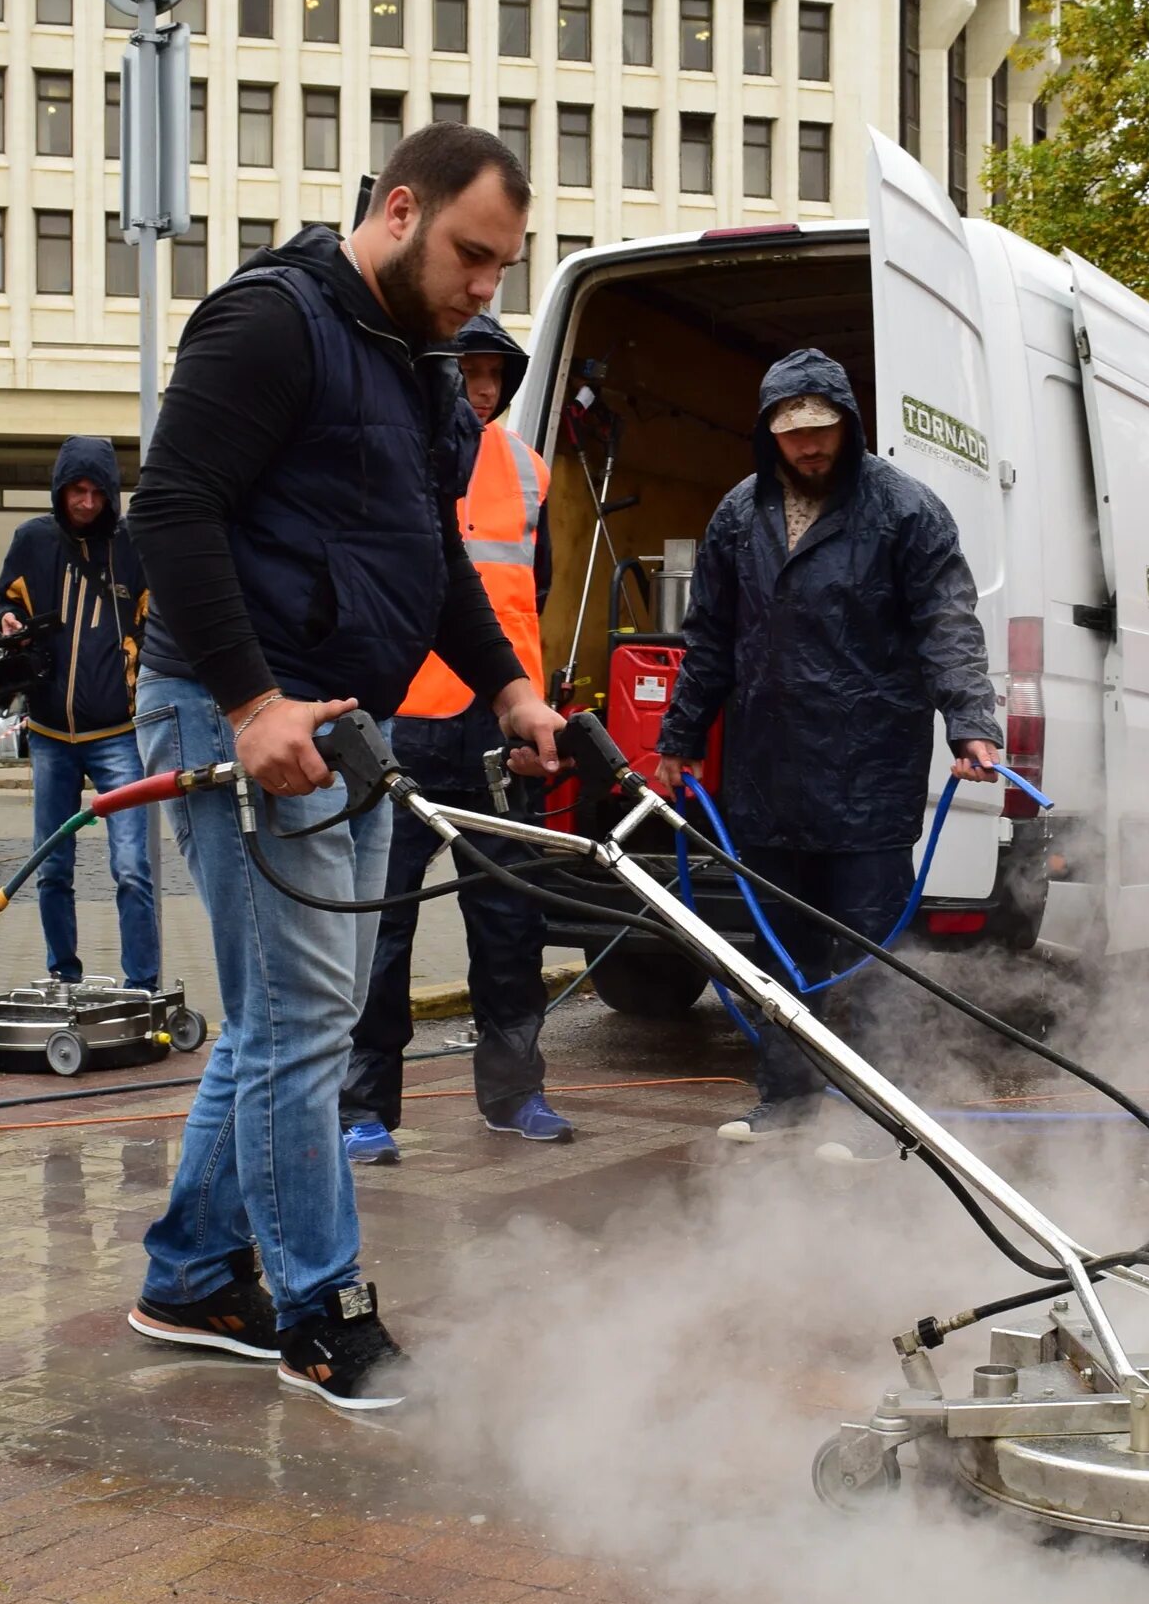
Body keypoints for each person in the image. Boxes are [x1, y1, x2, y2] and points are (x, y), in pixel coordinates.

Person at [122, 122, 564, 1411]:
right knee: (306, 1023)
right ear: (400, 208)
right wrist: (250, 702)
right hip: (241, 716)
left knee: (282, 1019)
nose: (487, 289)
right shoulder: (272, 322)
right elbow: (173, 511)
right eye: (473, 256)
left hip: (345, 719)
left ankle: (196, 1275)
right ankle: (323, 1312)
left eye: (504, 267)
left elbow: (429, 559)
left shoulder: (426, 368)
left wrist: (514, 690)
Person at [655, 351, 1001, 1140]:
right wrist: (679, 738)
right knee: (778, 951)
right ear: (767, 432)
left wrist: (971, 722)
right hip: (769, 773)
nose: (807, 446)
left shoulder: (905, 510)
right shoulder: (739, 516)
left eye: (820, 429)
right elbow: (709, 639)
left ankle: (882, 1119)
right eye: (790, 430)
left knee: (874, 955)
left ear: (848, 422)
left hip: (868, 773)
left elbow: (947, 621)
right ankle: (786, 1101)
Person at [340, 315, 571, 1163]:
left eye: (490, 378)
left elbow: (525, 597)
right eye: (465, 374)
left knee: (511, 922)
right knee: (381, 926)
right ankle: (363, 1108)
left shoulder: (528, 470)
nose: (478, 391)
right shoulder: (391, 457)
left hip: (496, 731)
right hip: (398, 726)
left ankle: (516, 1094)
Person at [0, 437, 161, 988]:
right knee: (53, 869)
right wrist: (8, 624)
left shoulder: (132, 543)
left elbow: (153, 617)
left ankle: (142, 985)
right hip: (48, 731)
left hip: (119, 733)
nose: (86, 503)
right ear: (60, 490)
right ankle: (62, 978)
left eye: (97, 492)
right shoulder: (32, 540)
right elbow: (6, 601)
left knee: (133, 869)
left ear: (111, 494)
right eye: (77, 491)